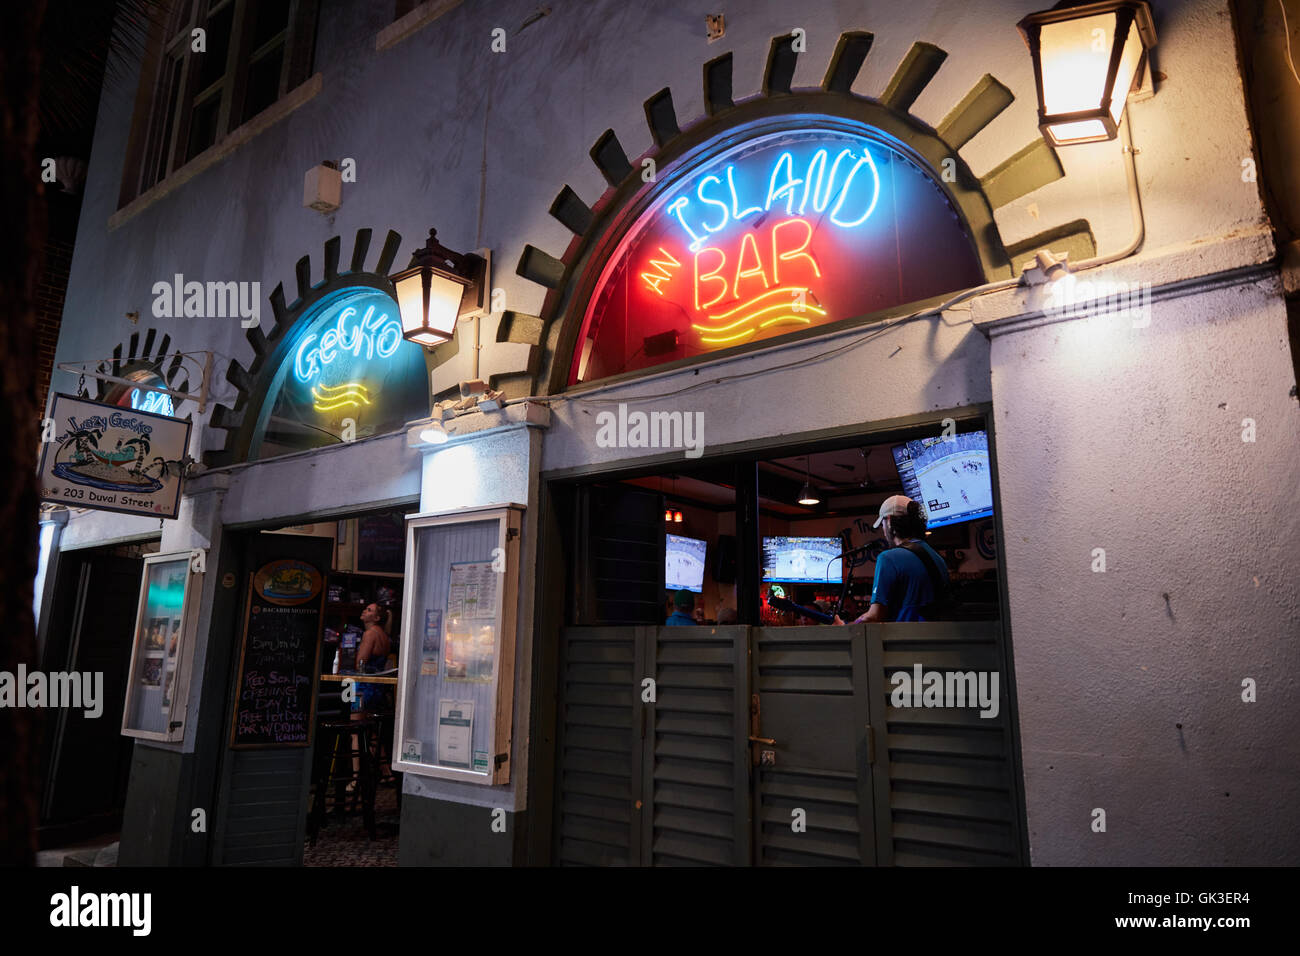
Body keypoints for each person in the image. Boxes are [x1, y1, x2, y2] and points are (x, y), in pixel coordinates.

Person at [836, 495, 948, 623]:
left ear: (889, 521)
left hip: (905, 640)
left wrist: (845, 628)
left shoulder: (888, 558)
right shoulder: (937, 557)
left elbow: (874, 617)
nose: (883, 530)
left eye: (882, 523)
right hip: (937, 640)